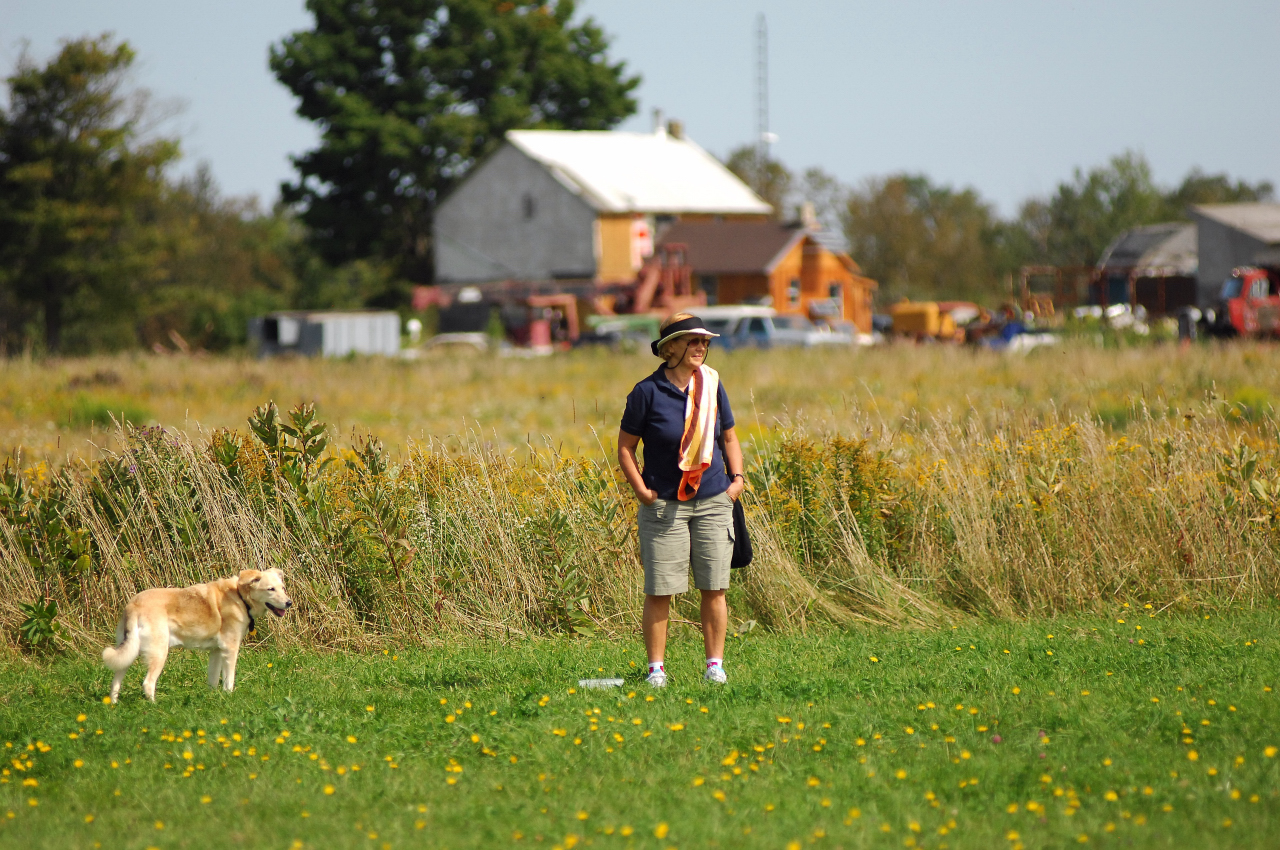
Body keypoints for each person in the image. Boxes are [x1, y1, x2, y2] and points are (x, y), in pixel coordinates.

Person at [618, 312, 746, 686]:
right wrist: (641, 490)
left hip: (713, 499)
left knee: (715, 586)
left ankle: (714, 666)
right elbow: (625, 448)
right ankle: (656, 670)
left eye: (705, 341)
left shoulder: (712, 384)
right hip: (664, 506)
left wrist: (736, 480)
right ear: (669, 347)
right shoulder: (646, 392)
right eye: (693, 340)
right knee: (661, 589)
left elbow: (730, 437)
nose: (701, 347)